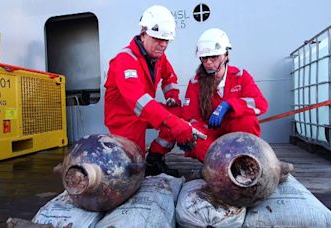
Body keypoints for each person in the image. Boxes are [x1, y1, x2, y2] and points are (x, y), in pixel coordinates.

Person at [104, 5, 203, 177]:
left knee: (178, 113)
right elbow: (139, 101)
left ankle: (155, 158)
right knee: (133, 169)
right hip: (125, 118)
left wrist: (172, 97)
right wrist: (173, 122)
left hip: (146, 110)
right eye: (158, 39)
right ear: (143, 34)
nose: (163, 45)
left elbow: (169, 77)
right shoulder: (124, 60)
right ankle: (139, 162)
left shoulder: (158, 57)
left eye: (166, 41)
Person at [182, 28, 268, 162]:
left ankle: (244, 160)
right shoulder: (195, 82)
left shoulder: (241, 77)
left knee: (248, 121)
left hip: (235, 132)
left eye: (214, 57)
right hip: (210, 134)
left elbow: (261, 104)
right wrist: (201, 129)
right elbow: (190, 117)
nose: (209, 62)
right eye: (204, 58)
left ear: (226, 55)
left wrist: (229, 105)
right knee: (193, 134)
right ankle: (224, 166)